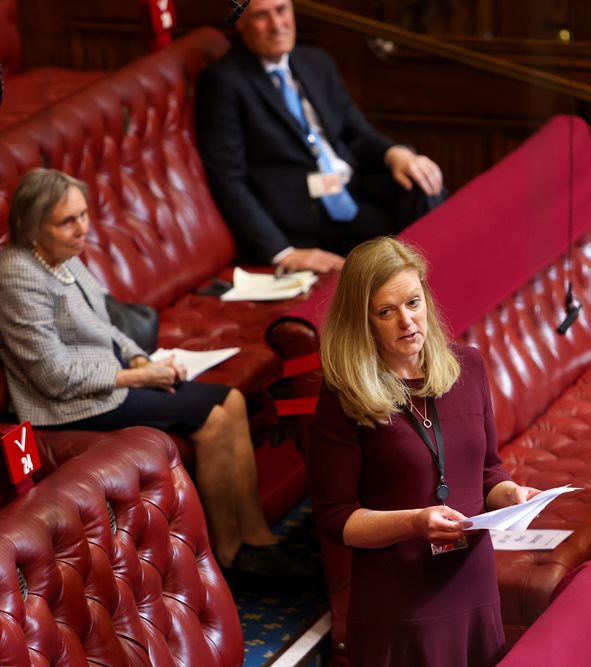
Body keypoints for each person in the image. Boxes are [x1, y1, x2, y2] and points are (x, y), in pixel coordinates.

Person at [0, 168, 309, 585]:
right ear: (33, 225)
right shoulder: (18, 276)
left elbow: (104, 323)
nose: (82, 229)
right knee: (217, 410)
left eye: (85, 215)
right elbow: (54, 375)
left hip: (111, 380)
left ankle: (256, 539)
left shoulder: (62, 256)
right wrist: (136, 377)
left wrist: (141, 359)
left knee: (228, 403)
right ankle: (231, 553)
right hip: (68, 404)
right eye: (67, 221)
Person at [305, 237, 539, 666]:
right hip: (400, 601)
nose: (407, 321)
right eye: (386, 311)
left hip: (473, 583)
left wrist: (511, 496)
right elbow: (335, 519)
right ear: (363, 322)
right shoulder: (343, 396)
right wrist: (415, 522)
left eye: (413, 302)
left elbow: (488, 471)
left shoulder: (468, 367)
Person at [196, 0, 445, 276]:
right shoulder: (224, 81)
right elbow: (228, 178)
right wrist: (282, 251)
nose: (277, 25)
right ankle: (440, 288)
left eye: (281, 10)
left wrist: (397, 154)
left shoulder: (316, 62)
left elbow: (357, 134)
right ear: (241, 22)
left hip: (351, 186)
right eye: (261, 16)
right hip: (306, 215)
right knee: (418, 239)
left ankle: (445, 288)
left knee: (422, 185)